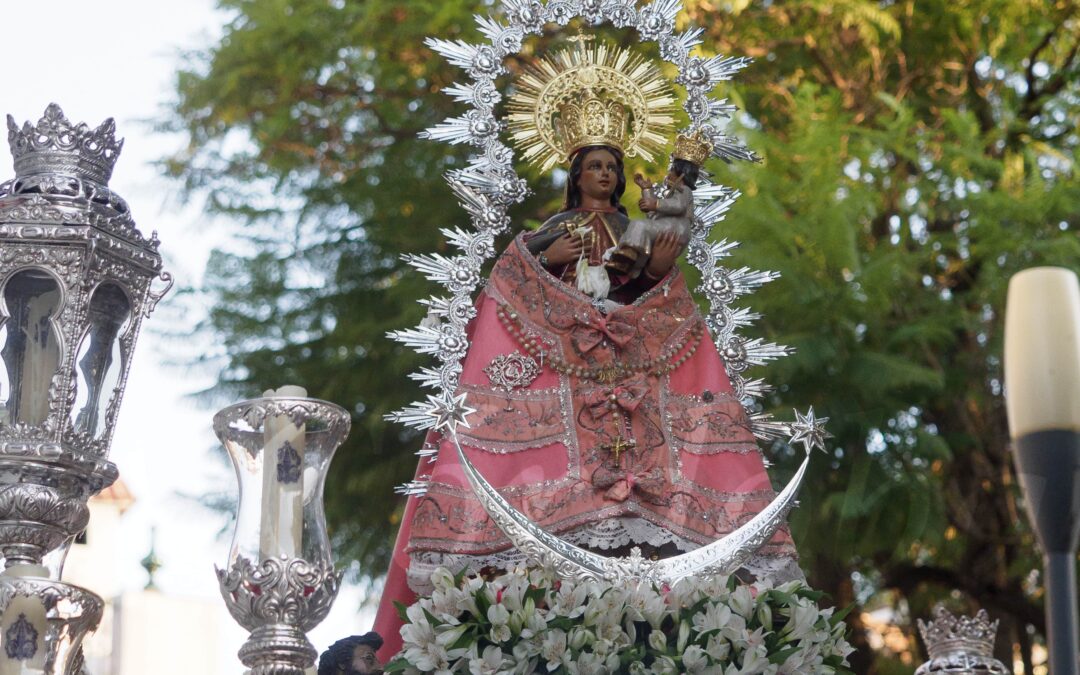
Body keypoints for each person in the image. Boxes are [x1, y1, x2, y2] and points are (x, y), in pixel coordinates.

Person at [371, 142, 798, 662]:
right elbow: (512, 276)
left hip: (636, 374)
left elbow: (648, 285)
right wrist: (549, 260)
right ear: (575, 176)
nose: (604, 174)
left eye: (612, 168)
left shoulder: (631, 229)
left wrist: (658, 272)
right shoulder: (555, 228)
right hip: (562, 367)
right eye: (594, 166)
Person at [606, 132, 707, 277]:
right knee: (642, 227)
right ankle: (632, 267)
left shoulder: (684, 191)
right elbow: (653, 216)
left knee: (639, 225)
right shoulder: (672, 194)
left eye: (672, 169)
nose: (669, 173)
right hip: (667, 227)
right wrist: (647, 190)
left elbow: (678, 206)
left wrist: (655, 203)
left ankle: (627, 256)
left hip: (676, 230)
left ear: (681, 173)